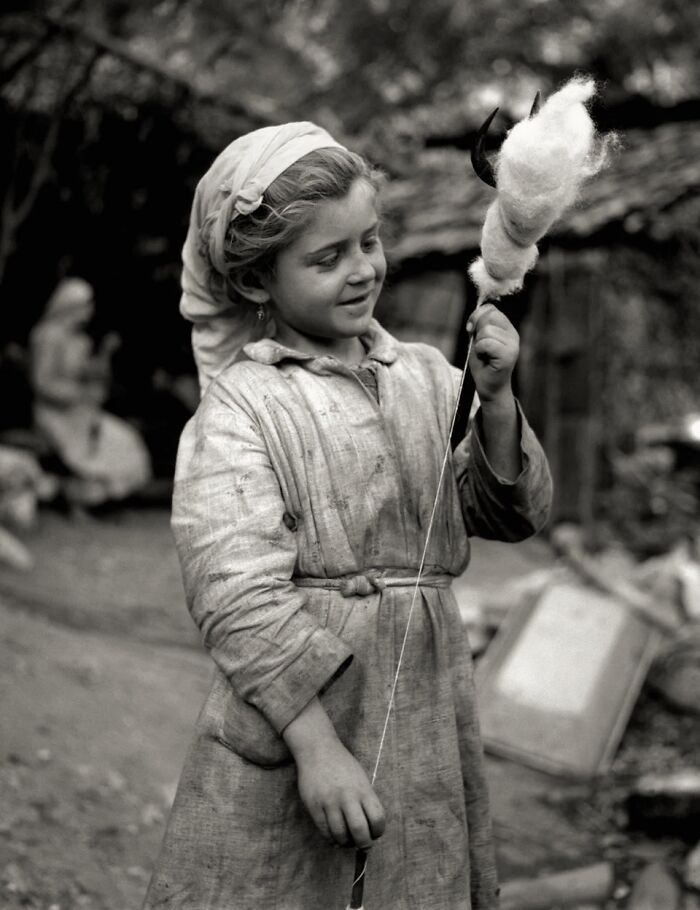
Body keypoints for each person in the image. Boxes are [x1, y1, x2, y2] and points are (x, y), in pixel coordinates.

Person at [143, 122, 552, 910]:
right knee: (278, 884)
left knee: (412, 877)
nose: (362, 270)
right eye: (326, 259)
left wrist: (496, 400)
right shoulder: (242, 408)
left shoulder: (431, 377)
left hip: (425, 699)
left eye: (368, 241)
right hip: (298, 717)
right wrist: (317, 750)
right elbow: (237, 599)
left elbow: (511, 515)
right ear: (258, 282)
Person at [29, 277, 151, 507]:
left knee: (124, 440)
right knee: (86, 450)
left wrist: (105, 354)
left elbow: (93, 379)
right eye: (87, 304)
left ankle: (96, 497)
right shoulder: (45, 336)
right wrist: (78, 395)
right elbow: (42, 384)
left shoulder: (80, 341)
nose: (90, 311)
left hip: (82, 414)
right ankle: (78, 497)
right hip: (54, 414)